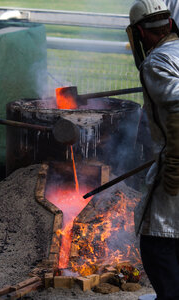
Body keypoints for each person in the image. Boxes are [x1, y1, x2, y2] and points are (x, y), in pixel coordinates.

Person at [127, 0, 179, 299]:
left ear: (140, 34)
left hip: (174, 160)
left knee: (156, 243)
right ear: (169, 25)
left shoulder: (157, 62)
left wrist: (174, 163)